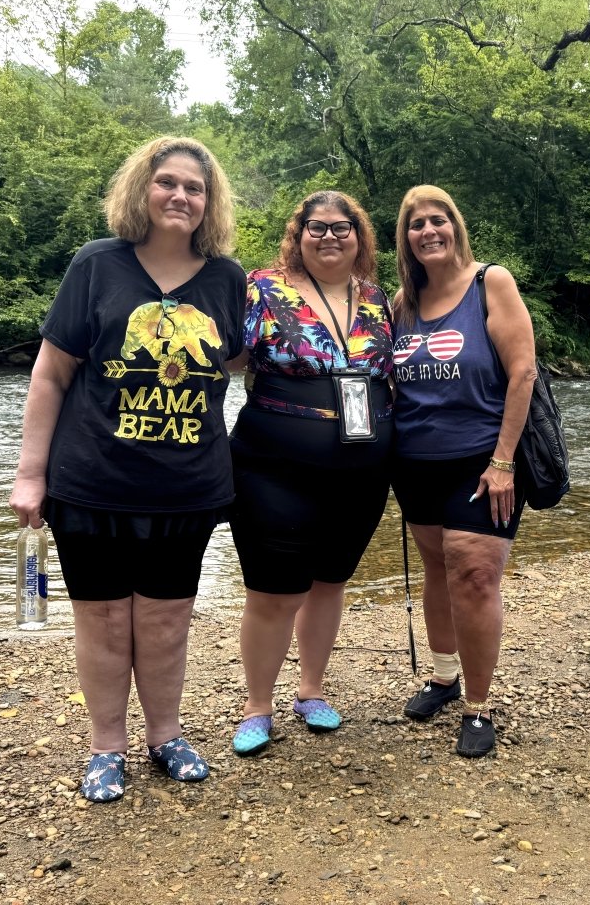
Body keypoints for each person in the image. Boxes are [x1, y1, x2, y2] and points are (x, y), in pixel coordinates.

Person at [9, 136, 246, 801]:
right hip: (91, 483)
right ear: (143, 189)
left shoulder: (227, 280)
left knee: (168, 620)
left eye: (194, 188)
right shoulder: (96, 265)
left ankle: (165, 735)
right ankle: (106, 745)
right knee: (105, 620)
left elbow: (234, 363)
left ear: (209, 201)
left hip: (188, 487)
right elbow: (51, 375)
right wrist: (31, 475)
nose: (180, 196)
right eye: (167, 182)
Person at [228, 190, 395, 756]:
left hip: (362, 470)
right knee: (273, 590)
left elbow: (396, 377)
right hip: (272, 466)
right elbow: (224, 359)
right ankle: (257, 705)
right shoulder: (262, 288)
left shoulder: (376, 300)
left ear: (359, 235)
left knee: (329, 582)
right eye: (316, 227)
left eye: (341, 227)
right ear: (298, 236)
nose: (330, 237)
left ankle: (312, 691)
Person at [390, 185, 537, 758]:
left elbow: (522, 372)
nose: (428, 231)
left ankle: (478, 706)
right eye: (416, 224)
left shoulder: (489, 283)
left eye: (438, 220)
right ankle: (444, 678)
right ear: (405, 238)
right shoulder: (402, 303)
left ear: (456, 225)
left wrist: (504, 462)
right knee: (437, 569)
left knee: (475, 575)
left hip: (483, 461)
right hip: (415, 464)